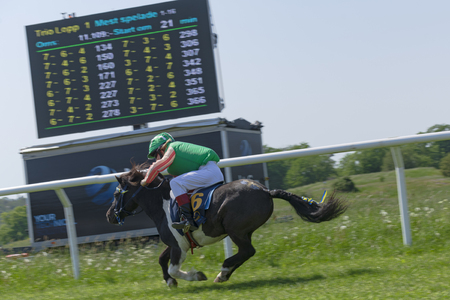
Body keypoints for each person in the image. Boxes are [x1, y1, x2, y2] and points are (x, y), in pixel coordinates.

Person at [140, 132, 224, 232]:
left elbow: (156, 166)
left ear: (162, 148)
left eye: (155, 154)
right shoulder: (173, 167)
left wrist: (144, 181)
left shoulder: (172, 147)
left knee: (175, 183)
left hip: (208, 172)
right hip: (210, 173)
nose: (156, 158)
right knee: (181, 188)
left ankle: (188, 220)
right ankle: (198, 217)